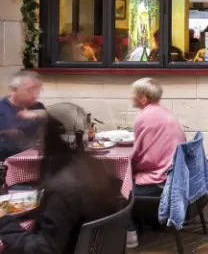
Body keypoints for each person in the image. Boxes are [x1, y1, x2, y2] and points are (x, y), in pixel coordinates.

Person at [0, 108, 123, 253]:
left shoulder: (63, 187)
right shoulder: (97, 167)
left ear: (50, 139)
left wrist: (5, 221)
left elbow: (44, 248)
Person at [128, 78, 186, 248]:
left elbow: (140, 157)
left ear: (143, 98)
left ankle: (130, 233)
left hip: (160, 183)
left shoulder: (143, 117)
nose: (131, 97)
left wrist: (127, 169)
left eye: (133, 94)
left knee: (116, 190)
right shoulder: (165, 113)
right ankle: (149, 222)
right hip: (174, 178)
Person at [0, 70, 46, 161]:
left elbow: (55, 128)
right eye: (29, 90)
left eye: (38, 90)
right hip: (5, 162)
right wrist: (6, 132)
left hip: (33, 161)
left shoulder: (38, 107)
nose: (35, 95)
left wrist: (40, 114)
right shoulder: (1, 108)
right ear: (14, 89)